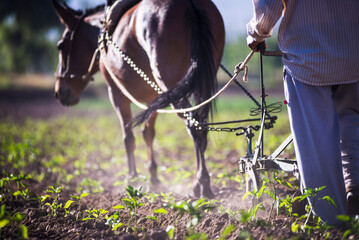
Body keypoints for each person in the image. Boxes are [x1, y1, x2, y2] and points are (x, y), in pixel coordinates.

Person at [246, 0, 359, 226]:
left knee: (316, 142)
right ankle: (354, 186)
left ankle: (334, 223)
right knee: (353, 124)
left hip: (309, 57)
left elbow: (269, 7)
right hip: (353, 53)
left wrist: (256, 34)